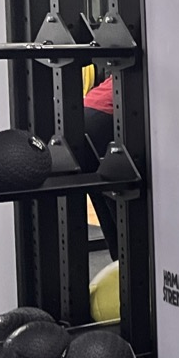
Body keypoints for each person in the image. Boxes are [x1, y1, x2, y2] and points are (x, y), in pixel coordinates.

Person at [83, 73, 121, 259]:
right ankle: (128, 262)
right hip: (103, 116)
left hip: (84, 112)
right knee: (120, 193)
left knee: (100, 191)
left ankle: (119, 263)